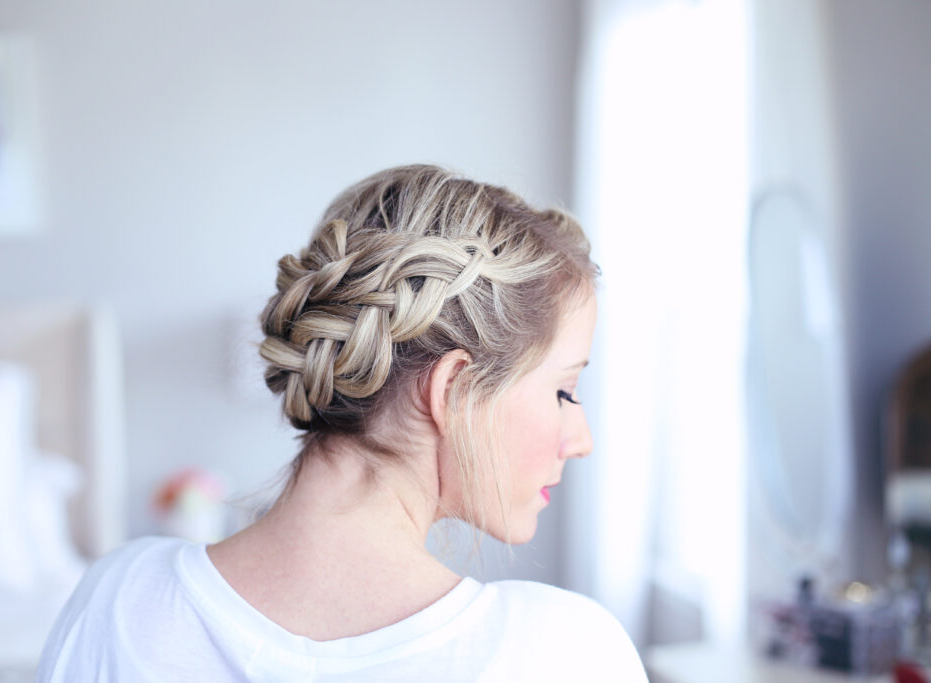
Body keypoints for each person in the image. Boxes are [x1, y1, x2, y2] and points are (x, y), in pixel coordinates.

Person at [37, 165, 647, 681]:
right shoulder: (565, 654)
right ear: (454, 391)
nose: (582, 440)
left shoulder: (119, 605)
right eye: (565, 390)